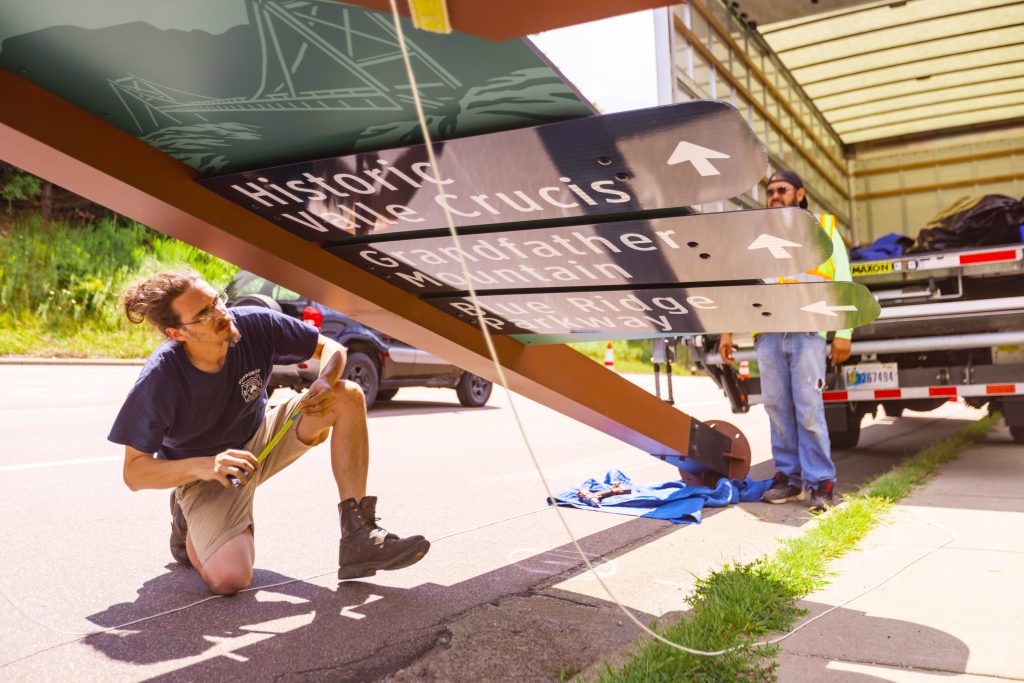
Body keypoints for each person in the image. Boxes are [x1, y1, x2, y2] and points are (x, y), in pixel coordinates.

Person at [109, 269, 429, 595]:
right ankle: (190, 525)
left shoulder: (252, 324)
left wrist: (324, 380)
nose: (220, 314)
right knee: (230, 579)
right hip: (206, 471)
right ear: (177, 333)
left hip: (262, 436)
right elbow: (134, 472)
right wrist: (206, 466)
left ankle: (359, 536)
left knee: (346, 396)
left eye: (216, 301)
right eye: (203, 314)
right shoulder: (161, 378)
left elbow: (332, 348)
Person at [718, 170, 852, 512]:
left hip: (808, 333)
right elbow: (744, 285)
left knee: (809, 410)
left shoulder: (822, 227)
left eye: (782, 190)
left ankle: (820, 483)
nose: (775, 196)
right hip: (768, 335)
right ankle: (789, 480)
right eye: (771, 191)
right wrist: (727, 329)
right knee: (777, 409)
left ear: (800, 194)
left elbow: (842, 279)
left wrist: (844, 333)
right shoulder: (758, 236)